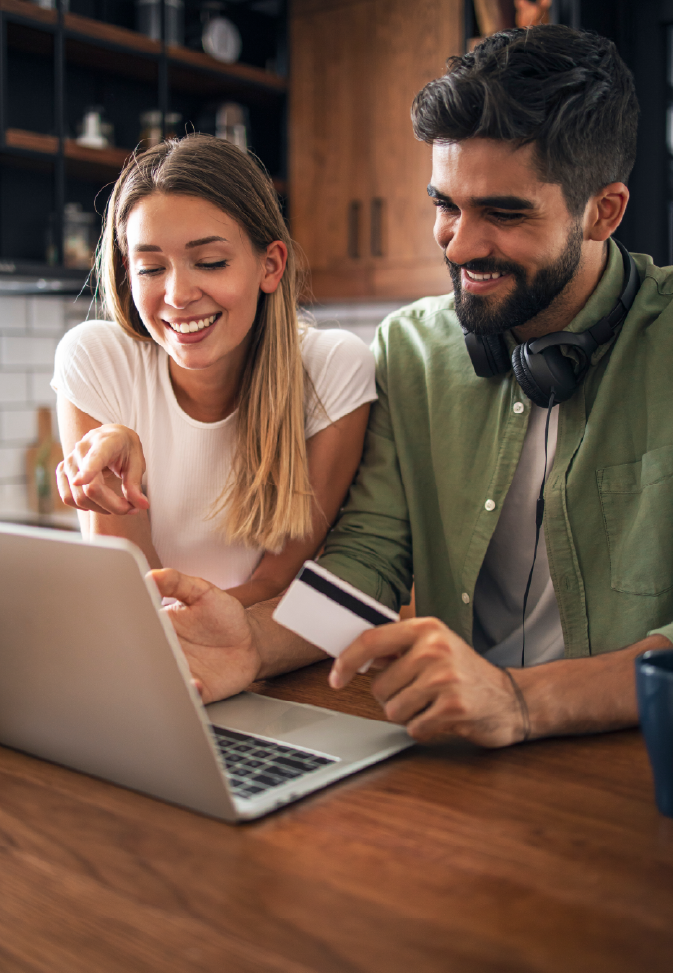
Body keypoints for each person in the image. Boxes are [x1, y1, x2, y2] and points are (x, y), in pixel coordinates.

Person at [109, 26, 673, 747]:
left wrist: (519, 700)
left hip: (638, 757)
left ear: (604, 211)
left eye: (503, 213)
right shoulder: (412, 350)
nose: (460, 243)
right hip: (459, 745)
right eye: (446, 205)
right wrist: (254, 642)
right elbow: (368, 561)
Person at [53, 135, 375, 606]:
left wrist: (202, 634)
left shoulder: (334, 369)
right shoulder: (96, 360)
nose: (178, 295)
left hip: (259, 646)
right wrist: (118, 478)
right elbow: (132, 597)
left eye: (210, 262)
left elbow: (274, 587)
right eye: (150, 268)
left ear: (270, 265)